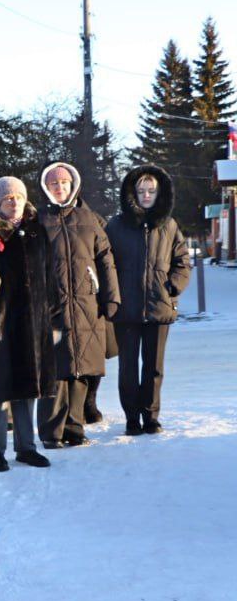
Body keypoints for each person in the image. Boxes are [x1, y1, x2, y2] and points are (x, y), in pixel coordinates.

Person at [0, 176, 55, 470]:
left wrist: (51, 317)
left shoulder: (36, 231)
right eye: (7, 198)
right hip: (0, 324)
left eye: (18, 197)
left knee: (27, 387)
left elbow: (50, 275)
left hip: (33, 323)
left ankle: (26, 447)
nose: (14, 202)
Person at [36, 162, 120, 449]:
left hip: (87, 302)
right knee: (55, 371)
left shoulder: (89, 218)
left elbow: (105, 258)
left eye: (64, 182)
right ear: (46, 187)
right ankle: (51, 432)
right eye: (54, 183)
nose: (60, 187)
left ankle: (74, 428)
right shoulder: (39, 220)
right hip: (52, 305)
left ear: (73, 185)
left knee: (81, 368)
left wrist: (111, 297)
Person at [105, 165, 191, 435]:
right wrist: (112, 296)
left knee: (154, 367)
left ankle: (151, 417)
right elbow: (105, 263)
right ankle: (132, 418)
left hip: (158, 306)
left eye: (151, 191)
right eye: (141, 190)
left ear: (159, 193)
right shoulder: (116, 226)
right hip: (126, 309)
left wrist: (172, 287)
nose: (146, 195)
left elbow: (182, 261)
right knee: (128, 368)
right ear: (132, 192)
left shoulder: (169, 225)